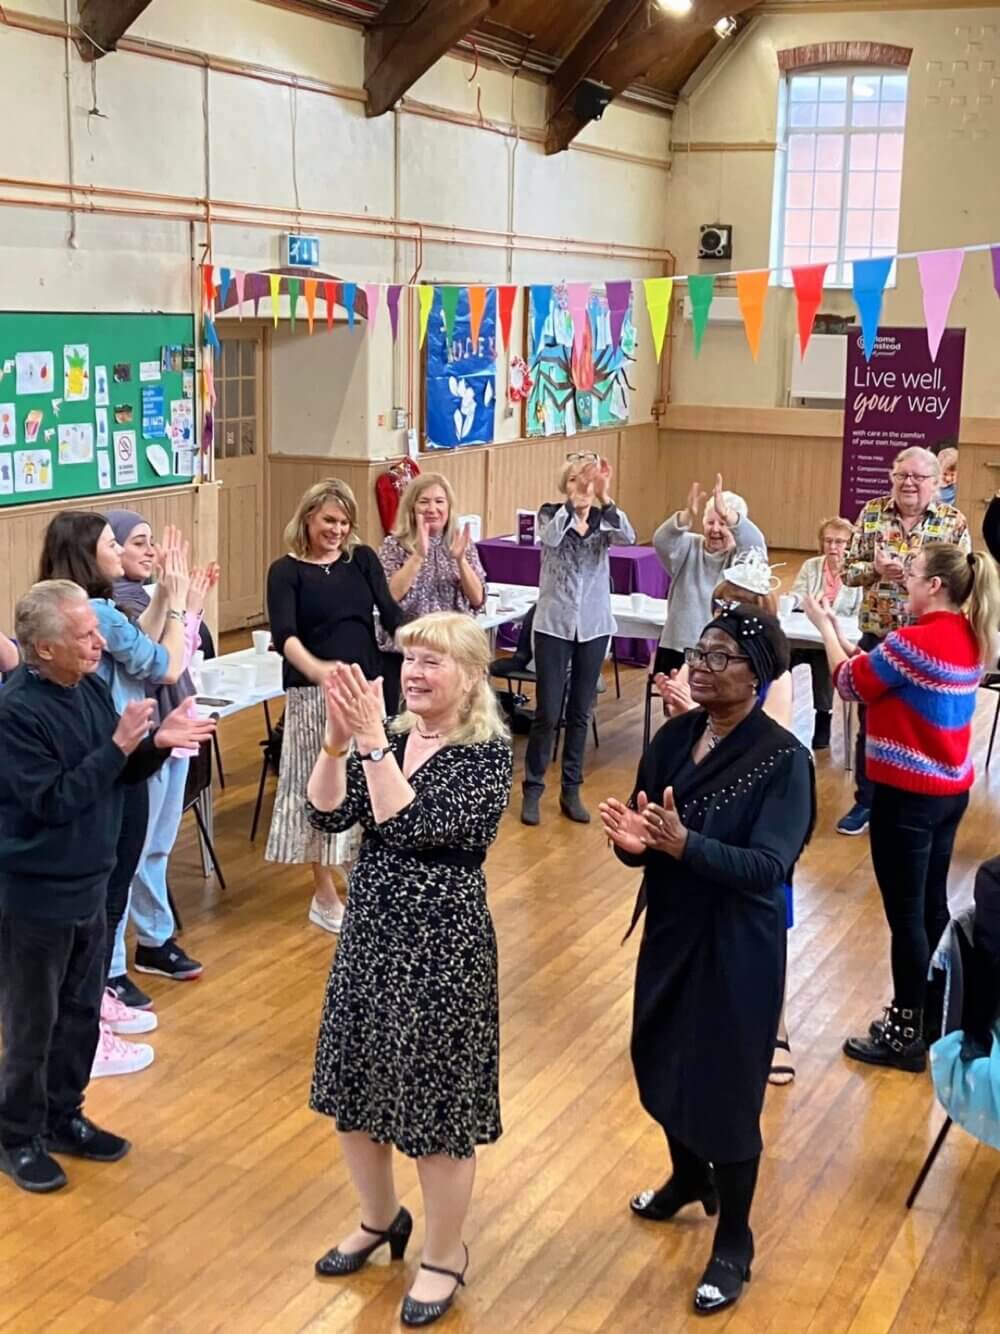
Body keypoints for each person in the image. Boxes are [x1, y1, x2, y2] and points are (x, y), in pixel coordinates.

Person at [600, 604, 815, 1316]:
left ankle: (736, 1238)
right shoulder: (674, 736)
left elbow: (767, 866)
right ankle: (690, 1176)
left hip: (738, 948)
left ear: (757, 674)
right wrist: (632, 843)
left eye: (721, 657)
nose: (702, 665)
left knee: (725, 1090)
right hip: (672, 928)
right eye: (700, 651)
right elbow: (645, 830)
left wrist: (683, 845)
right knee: (656, 1053)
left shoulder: (785, 760)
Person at [305, 613, 512, 1328]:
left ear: (473, 676)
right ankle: (379, 1218)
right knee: (356, 1090)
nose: (414, 672)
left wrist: (366, 744)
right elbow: (327, 816)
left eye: (434, 661)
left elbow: (412, 826)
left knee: (435, 1115)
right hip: (371, 936)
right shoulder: (388, 739)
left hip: (441, 947)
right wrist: (337, 743)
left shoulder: (485, 752)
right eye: (409, 658)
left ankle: (445, 1254)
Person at [0, 580, 214, 1194]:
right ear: (43, 649)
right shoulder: (15, 713)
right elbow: (51, 801)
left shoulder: (88, 688)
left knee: (79, 1015)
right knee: (31, 1023)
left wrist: (154, 745)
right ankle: (17, 1136)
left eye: (96, 632)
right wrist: (123, 744)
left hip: (91, 885)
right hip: (36, 896)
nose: (99, 643)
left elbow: (113, 773)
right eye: (85, 635)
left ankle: (66, 1115)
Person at [805, 542, 1000, 1070]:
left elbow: (849, 682)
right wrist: (844, 638)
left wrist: (823, 625)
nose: (905, 580)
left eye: (912, 574)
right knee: (932, 906)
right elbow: (875, 671)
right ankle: (937, 1016)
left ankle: (905, 1032)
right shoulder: (970, 638)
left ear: (934, 585)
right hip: (948, 793)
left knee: (905, 918)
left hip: (905, 798)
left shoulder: (912, 643)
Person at [39, 512, 202, 1069]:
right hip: (116, 754)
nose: (125, 550)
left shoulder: (103, 609)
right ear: (89, 555)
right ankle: (96, 1000)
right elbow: (164, 662)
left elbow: (148, 642)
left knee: (120, 873)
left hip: (126, 752)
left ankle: (99, 998)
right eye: (115, 543)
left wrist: (168, 601)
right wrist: (178, 604)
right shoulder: (99, 612)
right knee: (111, 883)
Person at [654, 556, 797, 1085]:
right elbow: (703, 743)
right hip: (705, 815)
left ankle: (775, 1028)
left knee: (766, 921)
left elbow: (765, 741)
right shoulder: (710, 669)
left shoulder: (772, 678)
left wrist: (698, 706)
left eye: (731, 604)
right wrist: (686, 713)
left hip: (758, 816)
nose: (720, 613)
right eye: (717, 604)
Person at [266, 478, 404, 934]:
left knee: (368, 785)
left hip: (365, 690)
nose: (337, 530)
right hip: (314, 696)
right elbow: (284, 635)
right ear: (308, 517)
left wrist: (427, 643)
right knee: (320, 791)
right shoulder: (285, 571)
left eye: (344, 522)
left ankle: (354, 866)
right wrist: (319, 670)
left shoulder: (361, 560)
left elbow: (390, 611)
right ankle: (323, 892)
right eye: (329, 520)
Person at [103, 509, 218, 992]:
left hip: (176, 729)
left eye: (152, 543)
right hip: (148, 736)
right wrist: (179, 605)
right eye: (137, 543)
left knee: (158, 846)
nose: (150, 552)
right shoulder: (115, 605)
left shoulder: (151, 596)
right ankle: (110, 966)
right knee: (129, 852)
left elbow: (182, 656)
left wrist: (189, 609)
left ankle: (154, 938)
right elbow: (159, 665)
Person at [837, 446, 970, 835]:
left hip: (929, 641)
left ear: (936, 482)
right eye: (901, 476)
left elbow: (963, 581)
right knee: (871, 720)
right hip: (880, 634)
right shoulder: (873, 512)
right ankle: (867, 802)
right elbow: (847, 571)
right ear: (891, 478)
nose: (909, 483)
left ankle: (918, 799)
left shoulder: (953, 522)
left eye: (918, 477)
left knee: (921, 721)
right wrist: (875, 571)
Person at [521, 453, 635, 827]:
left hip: (594, 625)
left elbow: (629, 537)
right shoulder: (550, 513)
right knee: (548, 712)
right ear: (563, 486)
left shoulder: (605, 520)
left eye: (586, 481)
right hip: (553, 625)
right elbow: (551, 537)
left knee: (580, 712)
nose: (581, 487)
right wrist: (575, 505)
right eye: (574, 480)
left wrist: (604, 497)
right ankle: (533, 788)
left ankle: (571, 789)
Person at [376, 472, 487, 712]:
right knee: (405, 725)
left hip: (451, 652)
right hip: (405, 655)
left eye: (439, 501)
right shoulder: (393, 546)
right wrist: (418, 556)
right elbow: (388, 597)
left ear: (449, 507)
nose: (432, 508)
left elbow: (477, 599)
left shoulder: (460, 543)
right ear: (411, 507)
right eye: (424, 501)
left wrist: (460, 560)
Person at [652, 475, 767, 677]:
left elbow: (755, 544)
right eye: (710, 522)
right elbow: (661, 541)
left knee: (713, 705)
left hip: (720, 651)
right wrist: (686, 515)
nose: (715, 529)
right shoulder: (688, 546)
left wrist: (729, 515)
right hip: (678, 645)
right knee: (676, 705)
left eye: (723, 523)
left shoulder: (739, 559)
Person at [788, 517, 863, 750]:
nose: (833, 547)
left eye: (839, 542)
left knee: (823, 662)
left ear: (850, 545)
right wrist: (792, 600)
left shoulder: (858, 572)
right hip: (805, 631)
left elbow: (858, 611)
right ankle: (775, 710)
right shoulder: (812, 566)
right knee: (780, 655)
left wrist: (829, 619)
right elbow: (799, 593)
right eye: (828, 541)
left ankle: (823, 719)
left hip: (834, 636)